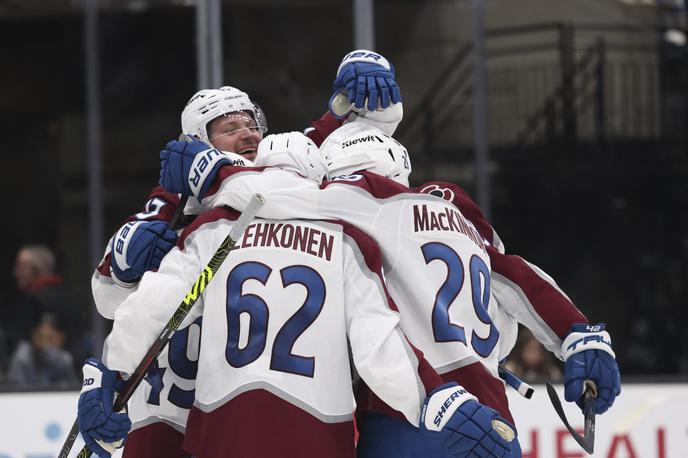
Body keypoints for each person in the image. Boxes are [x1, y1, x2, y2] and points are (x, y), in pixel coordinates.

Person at [79, 151, 515, 457]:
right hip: (317, 438)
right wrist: (439, 401)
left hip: (222, 434)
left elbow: (148, 311)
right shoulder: (345, 242)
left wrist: (108, 373)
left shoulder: (215, 231)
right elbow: (379, 346)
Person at [90, 51, 407, 457]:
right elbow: (109, 296)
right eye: (229, 127)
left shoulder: (285, 181)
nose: (248, 134)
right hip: (167, 408)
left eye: (251, 123)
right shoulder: (170, 203)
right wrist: (125, 265)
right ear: (199, 143)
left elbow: (340, 134)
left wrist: (362, 98)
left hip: (239, 407)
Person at [8, 244, 86, 371]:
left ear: (35, 269)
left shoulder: (32, 300)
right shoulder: (69, 297)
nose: (16, 273)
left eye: (21, 267)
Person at [6, 316, 78, 388]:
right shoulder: (23, 357)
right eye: (40, 338)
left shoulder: (64, 359)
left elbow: (71, 389)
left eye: (50, 339)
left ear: (61, 337)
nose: (45, 344)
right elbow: (15, 390)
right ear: (33, 336)